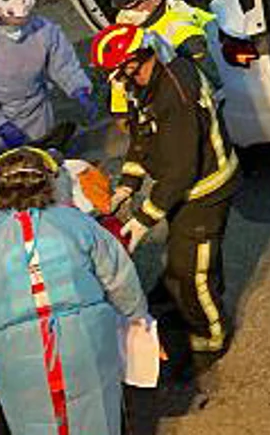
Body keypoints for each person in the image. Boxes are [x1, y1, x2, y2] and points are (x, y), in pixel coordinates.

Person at [0, 145, 149, 435]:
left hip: (21, 367)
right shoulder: (80, 225)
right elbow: (125, 286)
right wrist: (135, 315)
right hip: (87, 350)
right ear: (50, 181)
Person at [91, 23, 239, 363]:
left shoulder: (177, 93)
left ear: (136, 61)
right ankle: (185, 307)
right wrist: (127, 186)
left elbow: (180, 170)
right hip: (184, 189)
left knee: (193, 273)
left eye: (117, 72)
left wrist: (144, 220)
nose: (116, 80)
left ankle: (208, 343)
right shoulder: (142, 83)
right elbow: (144, 136)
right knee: (184, 257)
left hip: (205, 191)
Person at [0, 0, 97, 151]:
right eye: (13, 20)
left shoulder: (45, 30)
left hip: (36, 110)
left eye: (24, 19)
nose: (19, 25)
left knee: (40, 157)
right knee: (1, 164)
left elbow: (63, 63)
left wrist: (78, 87)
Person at [111, 0, 218, 95]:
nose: (128, 13)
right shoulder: (127, 19)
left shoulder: (183, 33)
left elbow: (210, 82)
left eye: (135, 5)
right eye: (124, 6)